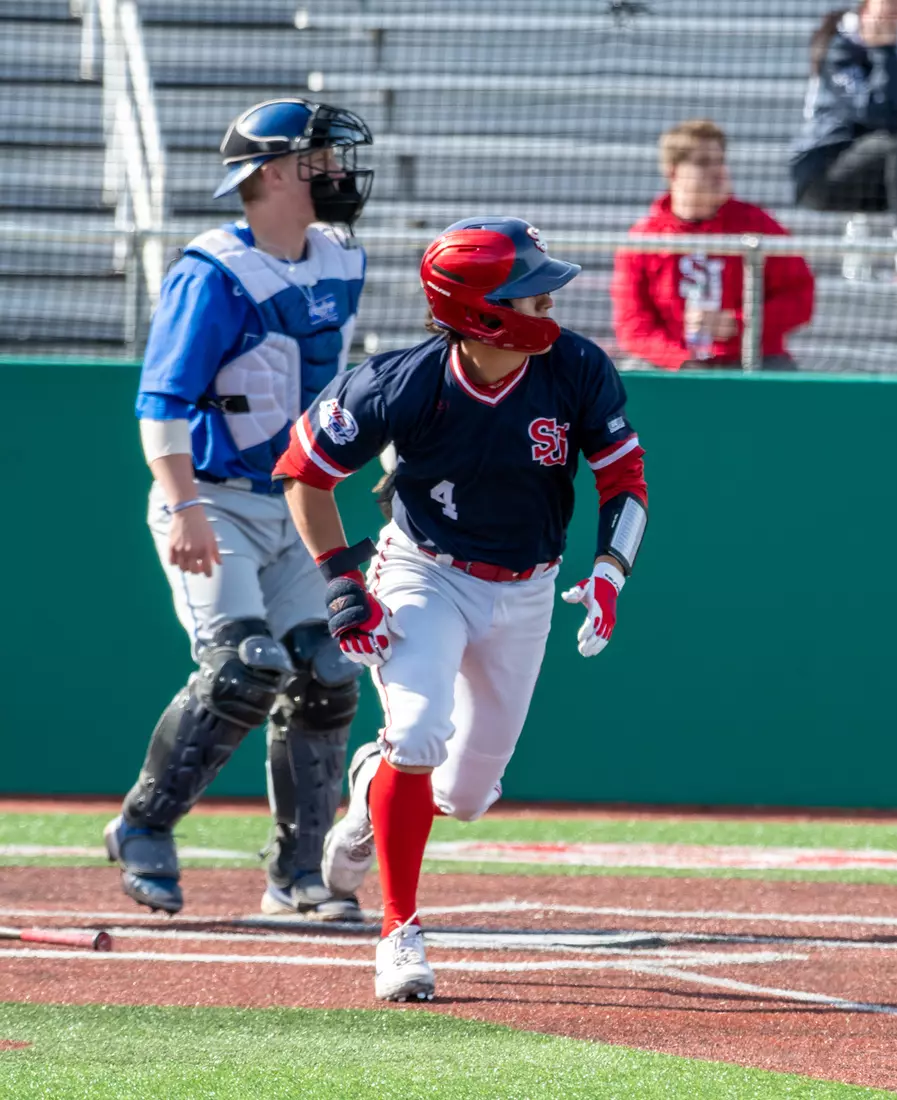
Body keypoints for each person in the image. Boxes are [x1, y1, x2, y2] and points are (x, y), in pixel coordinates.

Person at [274, 217, 650, 1002]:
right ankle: (399, 932)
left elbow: (625, 479)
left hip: (528, 587)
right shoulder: (400, 381)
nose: (549, 303)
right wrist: (344, 583)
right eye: (530, 293)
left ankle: (373, 785)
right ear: (479, 310)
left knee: (467, 796)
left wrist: (611, 570)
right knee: (416, 731)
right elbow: (305, 472)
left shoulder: (576, 367)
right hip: (426, 572)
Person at [106, 98, 373, 918]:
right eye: (315, 158)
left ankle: (298, 875)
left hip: (295, 499)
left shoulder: (338, 259)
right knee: (242, 667)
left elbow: (345, 389)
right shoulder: (213, 271)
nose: (332, 171)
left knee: (326, 670)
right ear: (267, 174)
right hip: (215, 497)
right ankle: (144, 826)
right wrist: (182, 503)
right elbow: (162, 403)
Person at [612, 120, 815, 370]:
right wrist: (681, 361)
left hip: (751, 358)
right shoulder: (644, 238)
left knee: (785, 381)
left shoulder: (758, 224)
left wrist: (739, 323)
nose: (719, 171)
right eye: (704, 163)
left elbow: (800, 298)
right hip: (673, 364)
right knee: (632, 376)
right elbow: (633, 326)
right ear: (673, 172)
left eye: (720, 161)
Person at [790, 0, 897, 280]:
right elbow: (876, 114)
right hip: (825, 174)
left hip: (884, 179)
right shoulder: (840, 49)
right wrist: (885, 51)